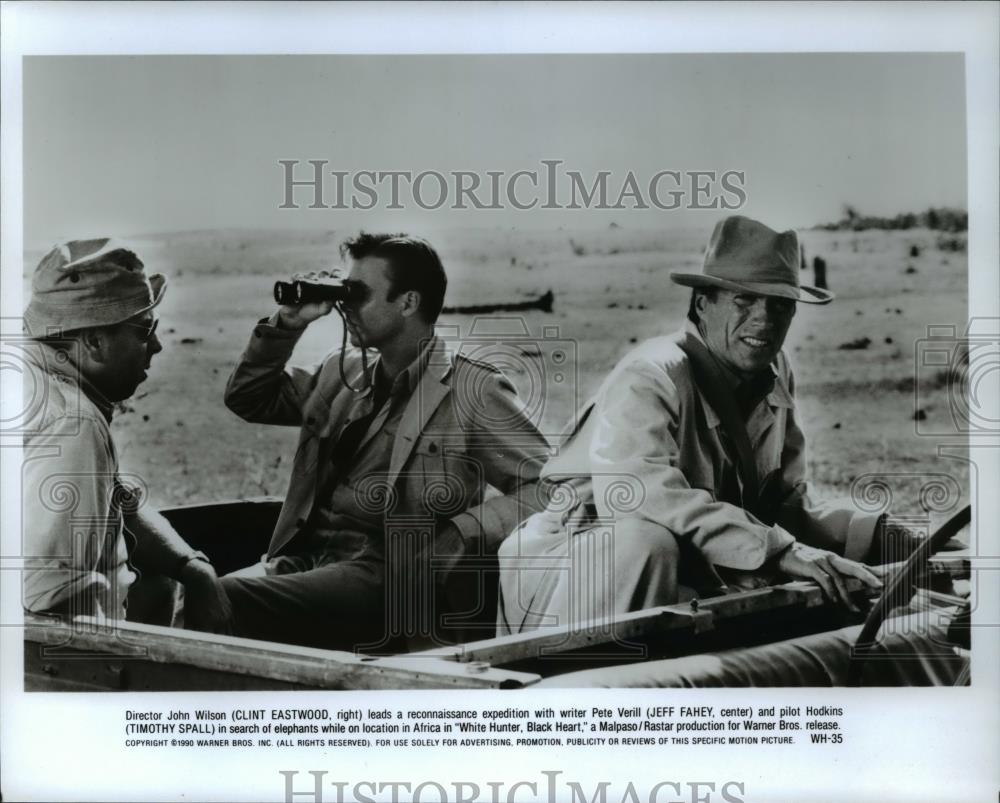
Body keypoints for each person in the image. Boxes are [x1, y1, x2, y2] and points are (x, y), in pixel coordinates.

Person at [498, 215, 918, 634]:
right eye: (744, 301)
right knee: (647, 542)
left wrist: (877, 531)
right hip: (572, 574)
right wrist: (775, 551)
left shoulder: (773, 372)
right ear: (703, 302)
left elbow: (786, 504)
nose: (764, 320)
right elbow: (637, 498)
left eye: (780, 304)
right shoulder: (651, 374)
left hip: (691, 569)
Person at [221, 232, 549, 651]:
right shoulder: (342, 373)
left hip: (391, 574)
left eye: (358, 294)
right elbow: (247, 398)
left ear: (408, 302)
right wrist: (288, 323)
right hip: (308, 557)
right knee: (202, 593)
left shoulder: (471, 390)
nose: (346, 307)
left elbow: (550, 486)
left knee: (225, 600)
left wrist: (463, 531)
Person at [21, 238, 232, 630]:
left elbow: (116, 499)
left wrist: (192, 567)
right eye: (144, 331)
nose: (157, 345)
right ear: (95, 343)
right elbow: (53, 602)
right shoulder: (73, 423)